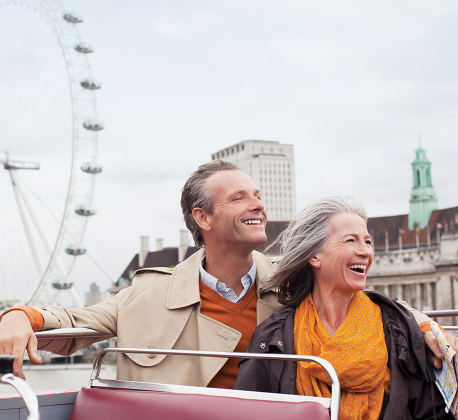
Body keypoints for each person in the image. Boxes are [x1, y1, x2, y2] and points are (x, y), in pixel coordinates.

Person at [0, 164, 453, 389]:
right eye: (240, 197)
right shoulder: (147, 294)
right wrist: (21, 316)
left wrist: (430, 326)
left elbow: (368, 303)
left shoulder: (292, 279)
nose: (258, 204)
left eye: (258, 194)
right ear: (204, 218)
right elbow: (74, 321)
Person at [234, 196, 452, 419]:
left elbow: (432, 411)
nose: (365, 251)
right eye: (351, 241)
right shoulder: (273, 336)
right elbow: (247, 411)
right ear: (314, 255)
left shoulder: (398, 329)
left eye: (367, 242)